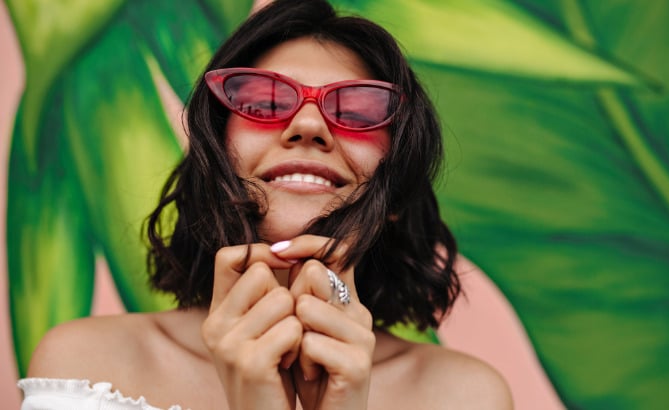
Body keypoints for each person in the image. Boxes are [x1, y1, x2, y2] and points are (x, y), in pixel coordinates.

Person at [18, 0, 512, 408]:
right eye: (262, 101)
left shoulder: (466, 395)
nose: (309, 126)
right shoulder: (82, 365)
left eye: (358, 109)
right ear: (212, 163)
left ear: (396, 194)